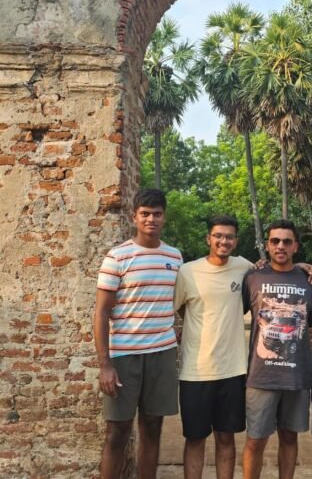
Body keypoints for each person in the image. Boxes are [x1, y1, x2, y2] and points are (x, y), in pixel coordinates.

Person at [94, 188, 182, 479]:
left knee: (153, 427)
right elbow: (101, 312)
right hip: (124, 356)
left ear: (164, 217)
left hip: (162, 354)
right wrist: (105, 364)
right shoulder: (118, 257)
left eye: (157, 214)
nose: (151, 219)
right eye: (145, 214)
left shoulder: (174, 257)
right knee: (117, 431)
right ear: (134, 217)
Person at [173, 216, 253, 479]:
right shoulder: (188, 272)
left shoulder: (244, 267)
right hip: (196, 371)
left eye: (229, 237)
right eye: (218, 235)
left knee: (226, 438)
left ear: (235, 241)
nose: (223, 241)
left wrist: (304, 266)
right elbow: (177, 308)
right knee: (195, 439)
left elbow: (275, 269)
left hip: (233, 370)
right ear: (208, 238)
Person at [242, 219, 312, 479]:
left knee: (289, 438)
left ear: (296, 246)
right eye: (275, 241)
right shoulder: (253, 277)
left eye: (287, 241)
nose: (280, 246)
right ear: (267, 245)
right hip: (260, 376)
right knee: (255, 441)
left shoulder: (309, 280)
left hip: (296, 376)